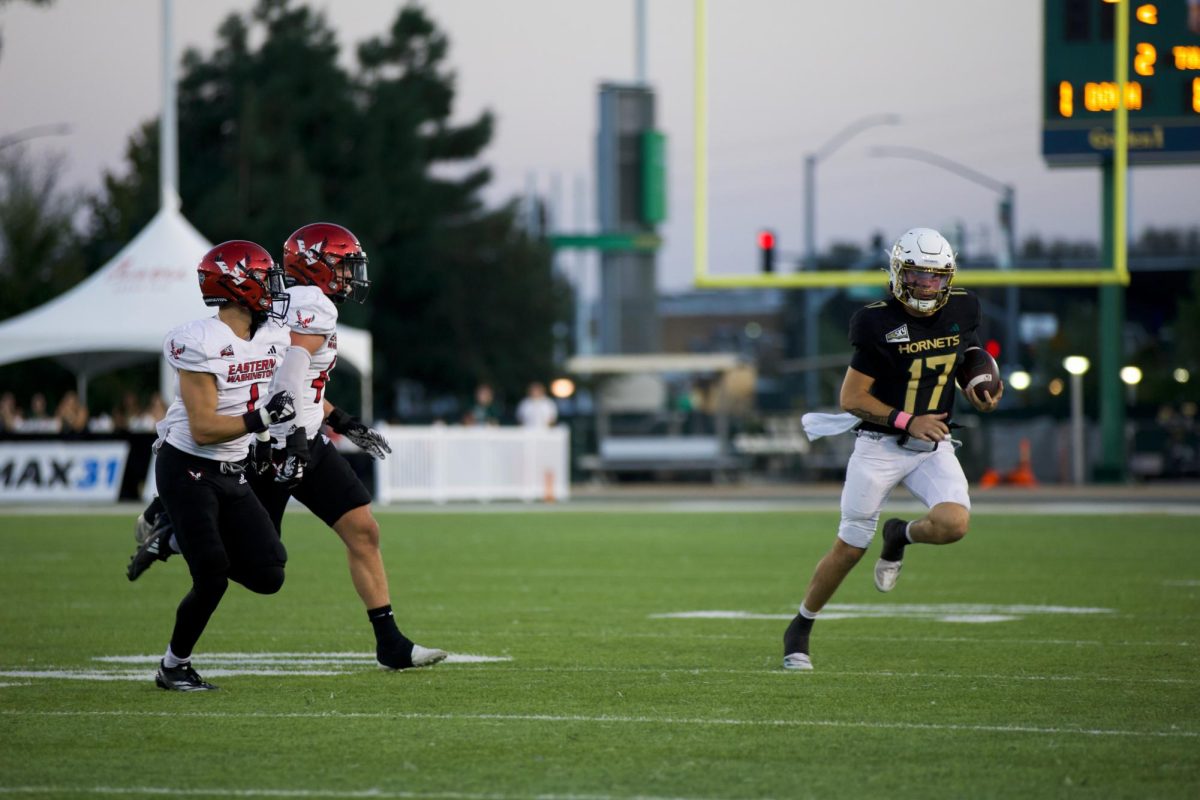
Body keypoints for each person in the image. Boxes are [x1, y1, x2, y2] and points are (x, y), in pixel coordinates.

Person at [129, 222, 446, 672]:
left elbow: (299, 384)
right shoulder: (310, 305)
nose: (350, 275)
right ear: (318, 265)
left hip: (303, 436)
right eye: (343, 265)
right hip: (272, 443)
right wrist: (291, 443)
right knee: (261, 565)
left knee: (363, 530)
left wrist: (340, 420)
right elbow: (287, 382)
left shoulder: (287, 305)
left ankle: (389, 641)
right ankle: (176, 531)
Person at [783, 228, 1002, 672]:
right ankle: (800, 626)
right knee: (849, 547)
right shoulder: (875, 321)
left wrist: (975, 379)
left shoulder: (963, 307)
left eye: (936, 277)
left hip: (932, 445)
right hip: (880, 444)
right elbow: (852, 398)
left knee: (954, 524)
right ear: (899, 274)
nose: (927, 286)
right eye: (918, 276)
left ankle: (899, 535)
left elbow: (964, 350)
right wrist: (908, 420)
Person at [146, 239, 297, 691]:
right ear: (238, 287)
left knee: (270, 572)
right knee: (211, 577)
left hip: (233, 467)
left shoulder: (272, 335)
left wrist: (266, 440)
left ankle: (174, 536)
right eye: (265, 280)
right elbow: (204, 428)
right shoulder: (199, 341)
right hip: (188, 466)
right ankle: (173, 666)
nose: (273, 289)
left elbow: (261, 398)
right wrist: (262, 420)